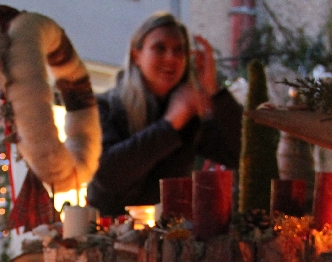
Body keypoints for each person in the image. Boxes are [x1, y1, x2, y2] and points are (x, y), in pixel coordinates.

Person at [87, 13, 243, 217]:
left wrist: (215, 92)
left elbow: (242, 153)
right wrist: (170, 124)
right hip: (110, 236)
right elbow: (108, 175)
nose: (171, 58)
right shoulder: (105, 106)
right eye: (159, 48)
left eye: (179, 50)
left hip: (171, 238)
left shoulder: (189, 117)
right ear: (137, 56)